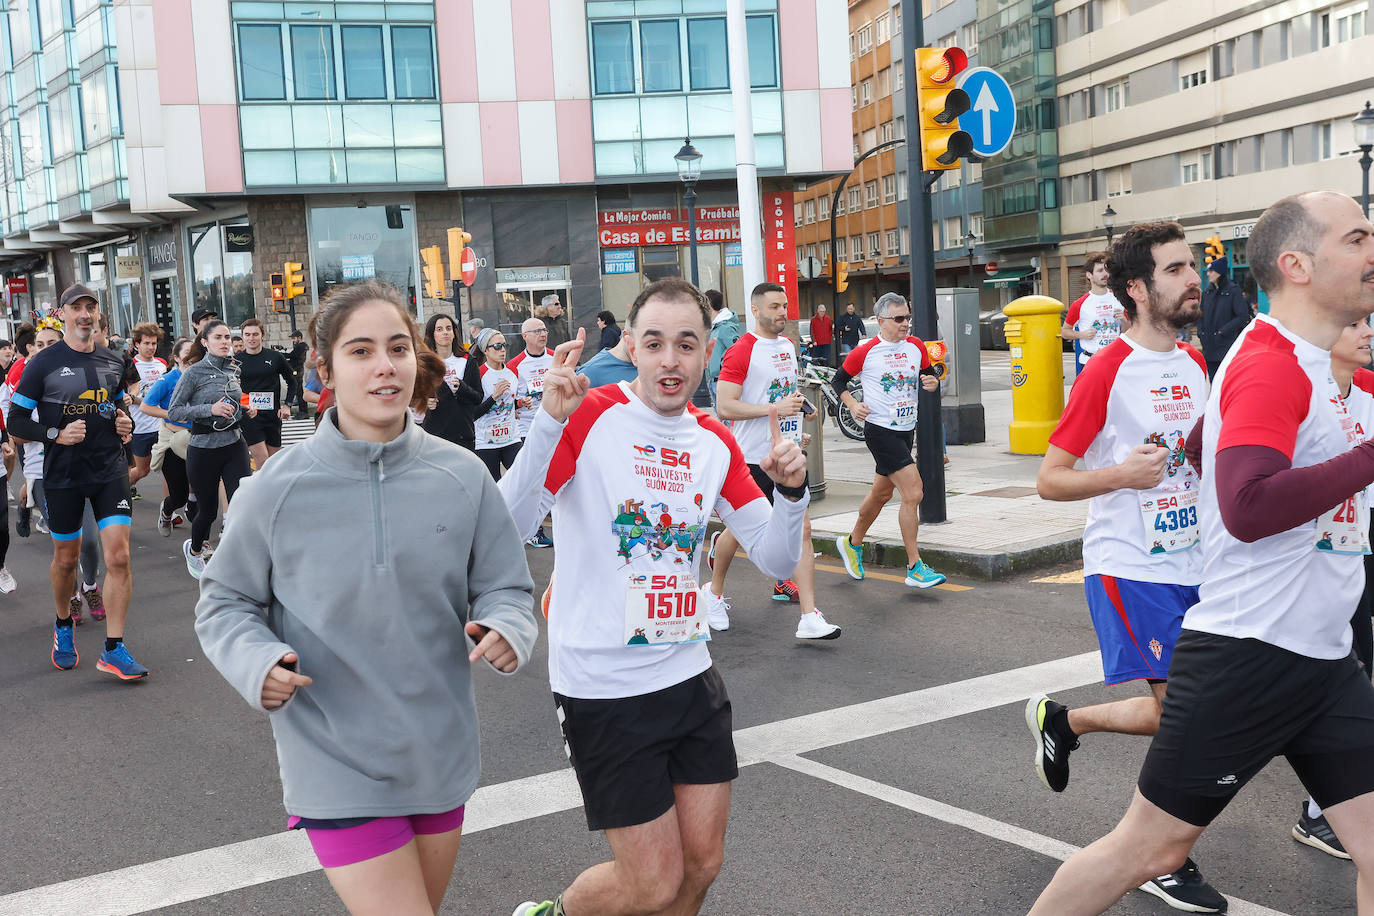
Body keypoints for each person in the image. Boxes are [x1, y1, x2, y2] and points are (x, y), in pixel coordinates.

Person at [1027, 191, 1374, 916]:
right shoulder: (1269, 362)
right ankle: (1069, 726)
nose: (1373, 253)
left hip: (1319, 656)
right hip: (1240, 646)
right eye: (1357, 239)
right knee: (1148, 848)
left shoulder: (1241, 362)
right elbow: (1246, 505)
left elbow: (1223, 447)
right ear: (1297, 265)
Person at [194, 279, 538, 916]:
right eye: (360, 352)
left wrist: (506, 627)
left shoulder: (462, 474)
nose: (385, 366)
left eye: (398, 348)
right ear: (323, 368)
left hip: (439, 752)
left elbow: (506, 586)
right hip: (333, 757)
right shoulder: (276, 487)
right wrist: (256, 662)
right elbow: (224, 603)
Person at [502, 277, 809, 916]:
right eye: (655, 343)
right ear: (633, 349)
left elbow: (778, 560)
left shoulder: (714, 439)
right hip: (602, 685)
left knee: (700, 866)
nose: (671, 361)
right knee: (649, 882)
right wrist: (545, 424)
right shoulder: (589, 413)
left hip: (688, 673)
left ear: (705, 354)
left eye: (686, 345)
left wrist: (791, 492)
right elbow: (508, 523)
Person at [1029, 222, 1224, 913]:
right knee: (1185, 720)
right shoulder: (1109, 368)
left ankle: (1066, 723)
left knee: (1205, 713)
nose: (1192, 278)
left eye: (1191, 265)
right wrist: (1118, 476)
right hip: (1129, 565)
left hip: (1195, 562)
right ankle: (1166, 857)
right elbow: (1051, 479)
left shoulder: (1196, 361)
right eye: (1176, 270)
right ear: (1138, 288)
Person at [6, 284, 143, 680]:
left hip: (109, 471)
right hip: (64, 475)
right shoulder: (43, 363)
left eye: (91, 307)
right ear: (63, 314)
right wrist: (55, 435)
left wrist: (124, 422)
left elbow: (115, 403)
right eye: (77, 308)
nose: (85, 314)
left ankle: (114, 648)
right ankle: (63, 623)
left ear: (98, 315)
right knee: (66, 559)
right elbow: (16, 421)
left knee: (119, 557)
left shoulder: (113, 359)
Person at [704, 282, 841, 640]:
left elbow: (784, 392)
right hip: (749, 460)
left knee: (803, 531)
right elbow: (725, 406)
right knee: (740, 532)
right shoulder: (740, 351)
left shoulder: (786, 346)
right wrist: (774, 410)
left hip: (786, 455)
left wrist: (800, 417)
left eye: (784, 306)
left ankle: (809, 616)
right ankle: (714, 594)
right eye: (775, 307)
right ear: (756, 311)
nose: (783, 312)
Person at [1287, 316, 1374, 859]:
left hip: (1357, 549)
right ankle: (1319, 813)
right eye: (1357, 324)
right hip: (1316, 567)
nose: (1368, 332)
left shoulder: (1365, 387)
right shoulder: (1299, 387)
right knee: (1340, 682)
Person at [832, 292, 946, 589]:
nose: (906, 323)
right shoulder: (866, 351)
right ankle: (914, 566)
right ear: (881, 321)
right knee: (914, 492)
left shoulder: (916, 346)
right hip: (880, 430)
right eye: (899, 319)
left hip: (906, 430)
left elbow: (927, 375)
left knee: (882, 495)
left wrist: (932, 382)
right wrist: (852, 405)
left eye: (908, 317)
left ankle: (851, 543)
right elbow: (838, 381)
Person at [168, 319, 253, 579]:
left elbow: (235, 401)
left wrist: (245, 409)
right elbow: (175, 411)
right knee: (207, 511)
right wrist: (210, 409)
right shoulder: (193, 373)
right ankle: (194, 550)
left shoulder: (233, 369)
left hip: (234, 443)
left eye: (227, 337)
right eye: (218, 337)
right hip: (204, 448)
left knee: (241, 503)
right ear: (204, 342)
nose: (225, 342)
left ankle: (237, 559)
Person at [140, 338, 194, 538]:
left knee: (201, 494)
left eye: (194, 352)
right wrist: (171, 414)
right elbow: (146, 406)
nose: (191, 356)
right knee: (179, 497)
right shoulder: (168, 380)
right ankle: (167, 511)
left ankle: (200, 545)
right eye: (187, 352)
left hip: (197, 439)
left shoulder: (203, 377)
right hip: (172, 440)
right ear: (177, 357)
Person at [508, 317, 554, 548]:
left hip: (556, 423)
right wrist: (519, 403)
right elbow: (508, 401)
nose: (542, 334)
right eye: (536, 331)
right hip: (528, 427)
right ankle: (534, 530)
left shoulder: (557, 357)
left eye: (544, 329)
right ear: (525, 336)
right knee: (533, 477)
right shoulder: (515, 365)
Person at [236, 318, 295, 470]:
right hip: (250, 416)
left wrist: (287, 405)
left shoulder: (275, 357)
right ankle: (266, 493)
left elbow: (292, 381)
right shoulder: (236, 361)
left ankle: (274, 492)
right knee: (262, 462)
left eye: (255, 334)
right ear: (243, 336)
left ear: (263, 335)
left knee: (274, 462)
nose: (251, 338)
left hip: (273, 415)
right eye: (247, 334)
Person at [420, 313, 482, 450]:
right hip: (434, 434)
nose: (445, 333)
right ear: (432, 334)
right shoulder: (424, 363)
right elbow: (413, 397)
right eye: (439, 329)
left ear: (454, 333)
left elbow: (478, 397)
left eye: (449, 328)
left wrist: (462, 388)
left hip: (463, 434)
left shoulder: (468, 361)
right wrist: (425, 402)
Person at [1061, 252, 1124, 377]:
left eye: (1106, 270)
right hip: (1091, 361)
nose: (1105, 274)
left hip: (1115, 360)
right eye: (1100, 270)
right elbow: (1064, 332)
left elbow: (1127, 331)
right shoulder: (1079, 304)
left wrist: (1125, 320)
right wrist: (1081, 334)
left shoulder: (1119, 298)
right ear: (1089, 275)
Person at [124, 322, 168, 500]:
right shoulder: (130, 365)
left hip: (162, 425)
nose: (151, 347)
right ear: (137, 344)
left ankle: (170, 509)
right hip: (141, 427)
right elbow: (127, 398)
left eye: (154, 343)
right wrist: (140, 400)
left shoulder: (162, 364)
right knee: (142, 470)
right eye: (146, 343)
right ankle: (116, 491)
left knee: (170, 468)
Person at [472, 328, 521, 479]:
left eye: (504, 345)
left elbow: (508, 404)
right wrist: (494, 396)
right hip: (486, 442)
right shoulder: (478, 374)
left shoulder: (513, 371)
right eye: (497, 346)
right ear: (485, 350)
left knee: (521, 479)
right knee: (494, 487)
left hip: (512, 437)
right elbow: (473, 413)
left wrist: (519, 404)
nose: (503, 350)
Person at [1197, 256, 1252, 379]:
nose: (1208, 274)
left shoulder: (1233, 291)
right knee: (1213, 381)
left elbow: (1242, 316)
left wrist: (1223, 331)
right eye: (1208, 271)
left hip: (1225, 346)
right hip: (1209, 346)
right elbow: (1200, 314)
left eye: (1211, 271)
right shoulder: (1207, 292)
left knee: (1225, 382)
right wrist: (1201, 332)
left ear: (1219, 272)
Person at [705, 289, 742, 406]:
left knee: (728, 421)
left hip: (722, 382)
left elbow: (738, 351)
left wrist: (723, 367)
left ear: (708, 305)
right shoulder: (714, 327)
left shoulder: (724, 327)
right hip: (714, 380)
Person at [579, 315, 637, 388]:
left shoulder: (608, 331)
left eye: (599, 320)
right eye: (653, 345)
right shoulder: (590, 372)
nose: (597, 323)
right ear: (626, 337)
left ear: (603, 321)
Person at [286, 328, 308, 414]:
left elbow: (292, 356)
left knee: (298, 391)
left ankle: (303, 411)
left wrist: (279, 354)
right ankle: (302, 410)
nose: (293, 340)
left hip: (297, 370)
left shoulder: (301, 346)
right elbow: (293, 357)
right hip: (297, 369)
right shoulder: (300, 347)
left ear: (299, 337)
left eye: (294, 338)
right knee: (298, 391)